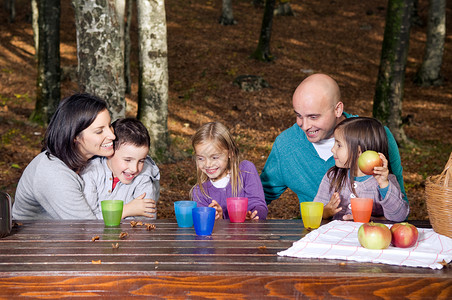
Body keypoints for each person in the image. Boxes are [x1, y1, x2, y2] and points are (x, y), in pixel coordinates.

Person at [260, 73, 408, 206]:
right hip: (315, 232)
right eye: (299, 115)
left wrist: (371, 220)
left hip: (371, 231)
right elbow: (260, 196)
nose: (304, 126)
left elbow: (399, 201)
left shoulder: (377, 135)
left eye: (313, 117)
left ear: (338, 109)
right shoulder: (286, 144)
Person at [12, 93, 116, 219]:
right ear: (74, 137)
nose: (112, 136)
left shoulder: (92, 158)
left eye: (110, 125)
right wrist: (126, 210)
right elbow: (87, 229)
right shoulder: (53, 173)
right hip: (35, 237)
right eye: (99, 131)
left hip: (65, 235)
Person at [313, 117, 409, 222]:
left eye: (339, 145)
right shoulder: (332, 177)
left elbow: (399, 217)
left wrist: (384, 184)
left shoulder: (385, 181)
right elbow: (314, 212)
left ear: (359, 151)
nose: (333, 149)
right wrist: (327, 212)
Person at [80, 118, 160, 220]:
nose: (134, 169)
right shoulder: (91, 172)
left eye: (141, 161)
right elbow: (89, 220)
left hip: (131, 236)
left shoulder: (144, 176)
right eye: (127, 160)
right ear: (110, 152)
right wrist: (126, 210)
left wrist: (108, 217)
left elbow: (147, 219)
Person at [190, 122, 268, 220]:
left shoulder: (246, 171)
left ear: (230, 153)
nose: (207, 164)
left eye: (214, 157)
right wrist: (219, 219)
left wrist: (253, 215)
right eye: (201, 158)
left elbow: (259, 205)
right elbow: (204, 225)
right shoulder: (200, 192)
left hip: (249, 234)